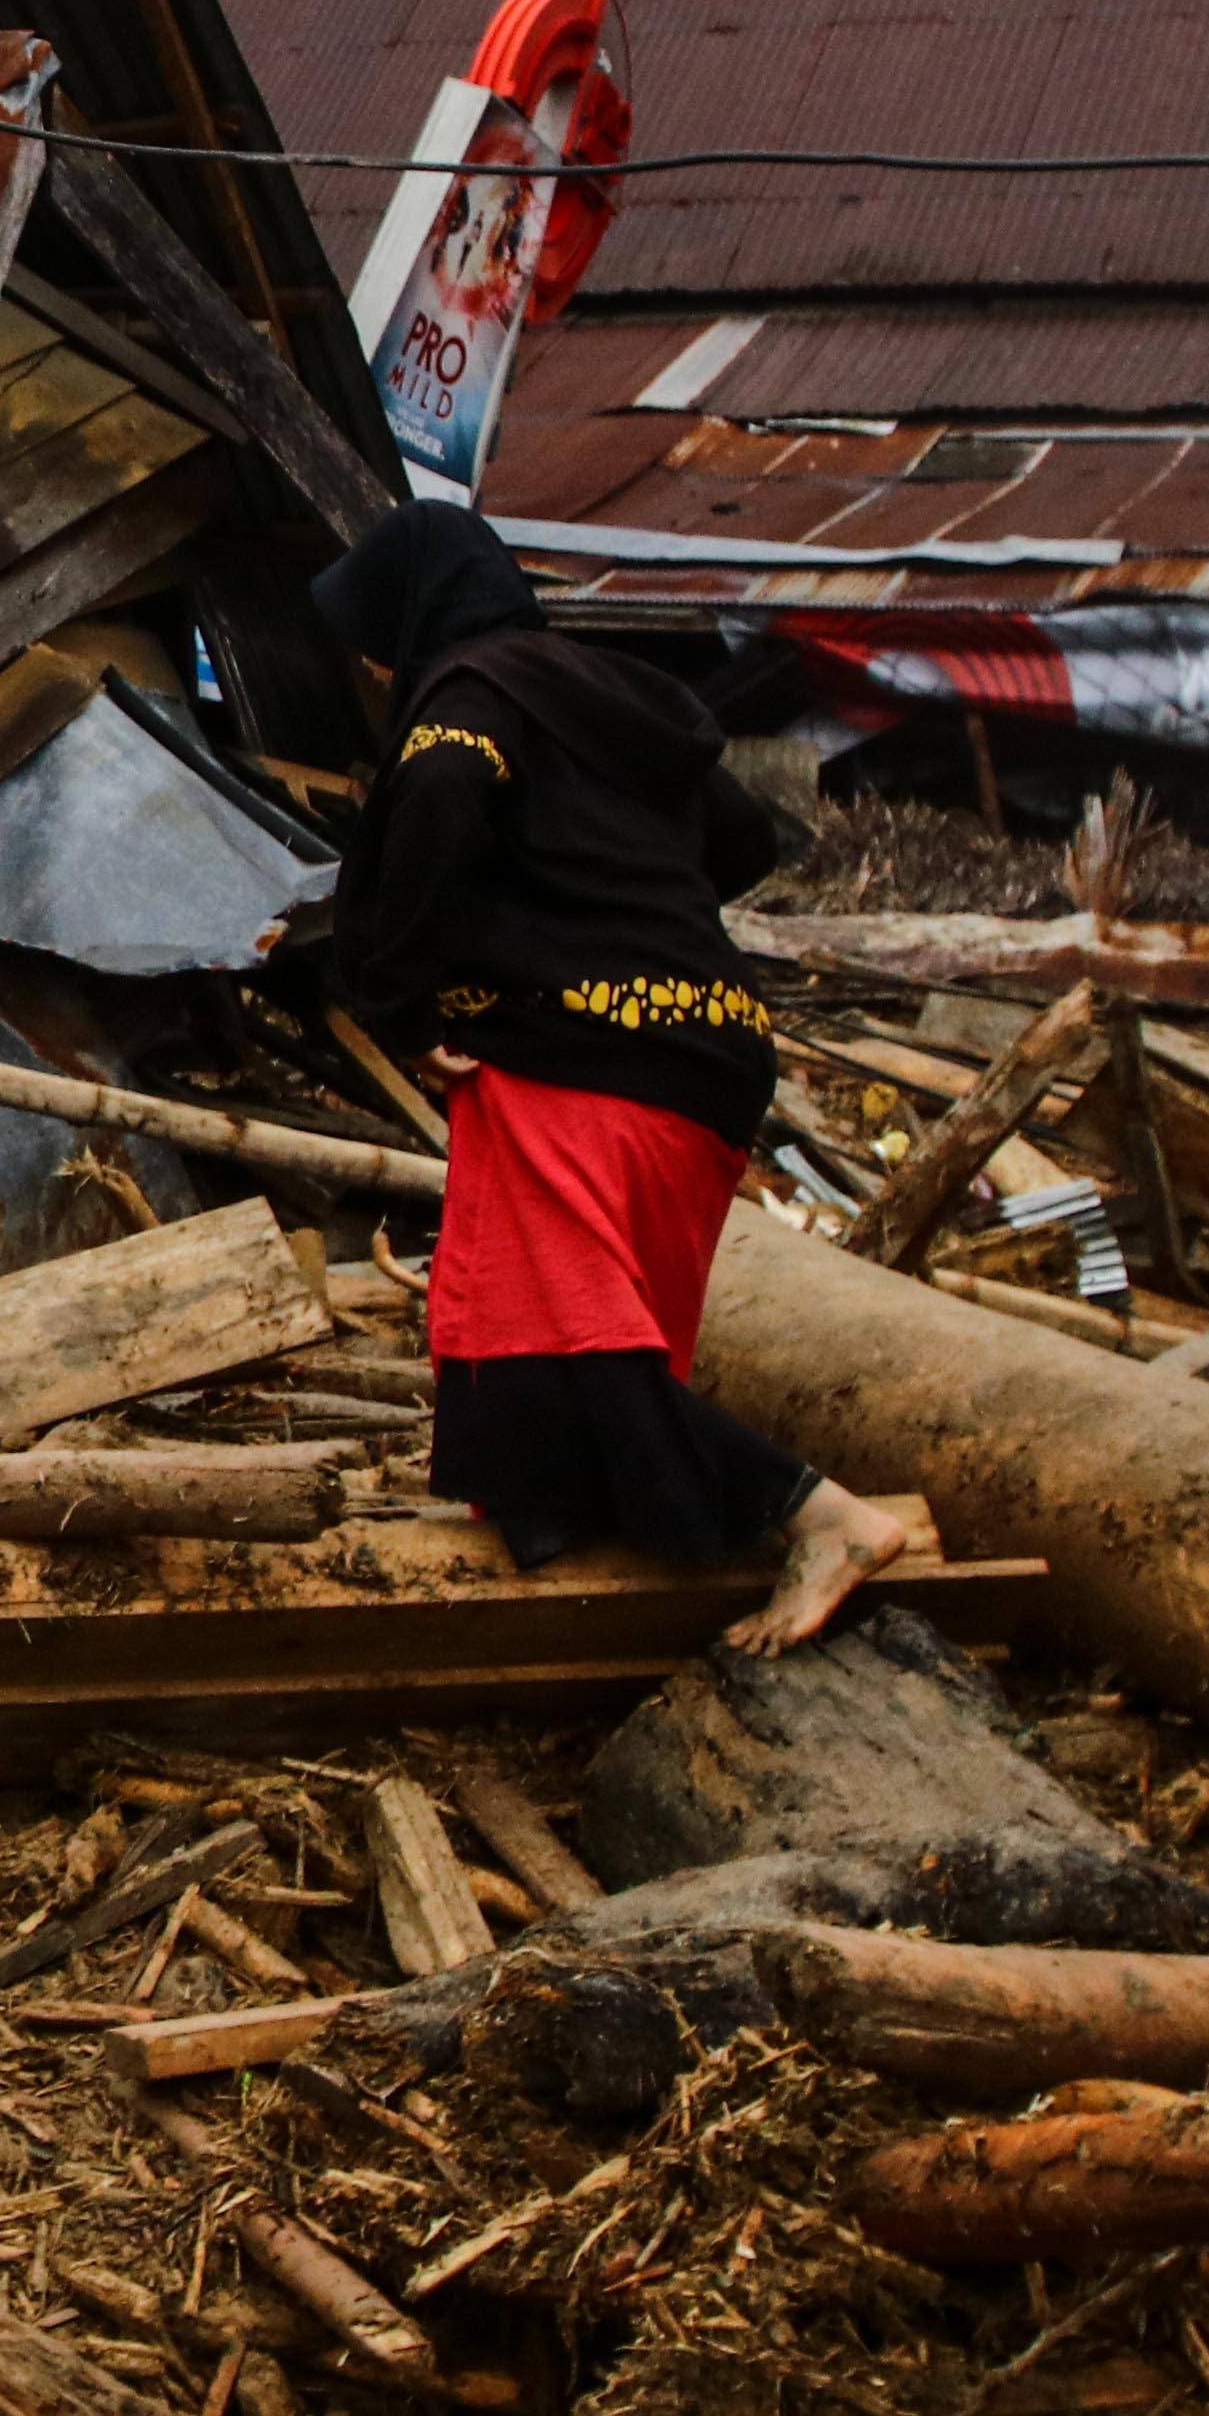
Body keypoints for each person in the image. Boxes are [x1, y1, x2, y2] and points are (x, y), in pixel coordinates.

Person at [302, 503, 930, 1652]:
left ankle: (822, 1515)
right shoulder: (614, 701)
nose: (376, 668)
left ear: (410, 619)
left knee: (571, 1342)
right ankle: (567, 1531)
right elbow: (741, 835)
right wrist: (617, 904)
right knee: (533, 1320)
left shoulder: (469, 696)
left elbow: (441, 800)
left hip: (583, 1058)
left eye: (376, 641)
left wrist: (407, 997)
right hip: (707, 1057)